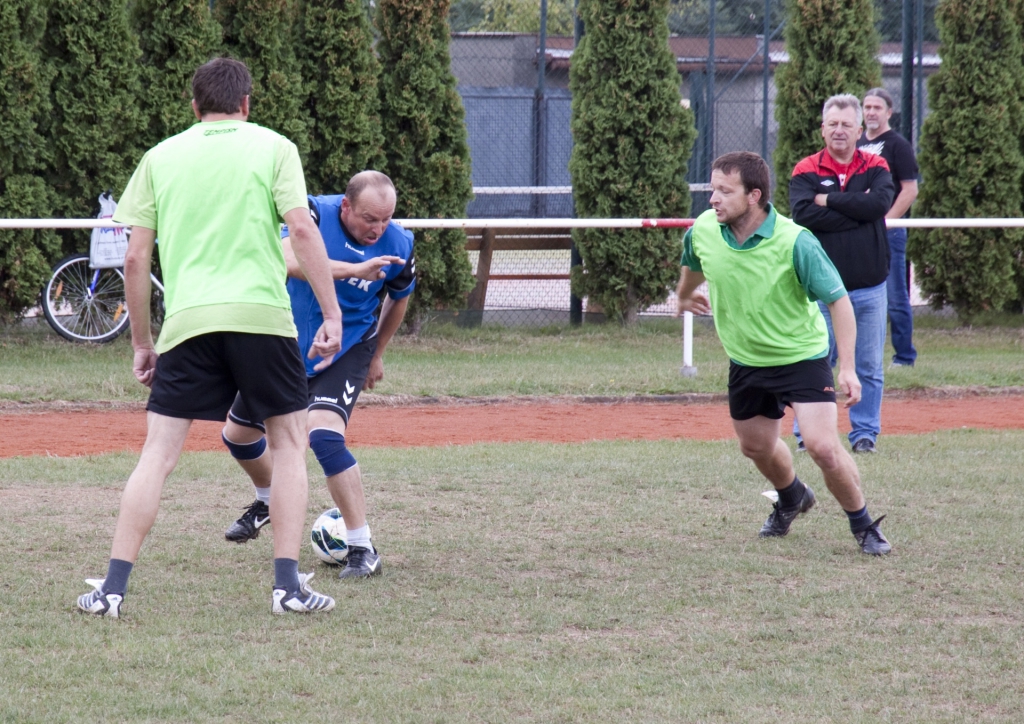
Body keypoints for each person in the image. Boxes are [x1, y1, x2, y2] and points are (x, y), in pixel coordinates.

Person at [77, 58, 343, 618]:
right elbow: (300, 229)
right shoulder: (275, 147)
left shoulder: (160, 156)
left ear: (193, 106)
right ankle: (287, 588)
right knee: (291, 444)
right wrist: (331, 313)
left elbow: (133, 256)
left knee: (157, 454)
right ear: (246, 104)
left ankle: (113, 590)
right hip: (263, 319)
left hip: (189, 322)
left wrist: (141, 343)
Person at [676, 151, 890, 555]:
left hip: (801, 358)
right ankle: (792, 496)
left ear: (754, 195)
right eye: (712, 189)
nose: (713, 199)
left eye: (724, 191)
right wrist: (683, 296)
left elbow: (839, 301)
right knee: (754, 446)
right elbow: (693, 261)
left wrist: (848, 367)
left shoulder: (795, 241)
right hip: (746, 361)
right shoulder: (704, 229)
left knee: (823, 446)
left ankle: (863, 525)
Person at [220, 170, 414, 580]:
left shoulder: (400, 244)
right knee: (237, 435)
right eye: (368, 219)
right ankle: (269, 499)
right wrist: (353, 271)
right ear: (346, 206)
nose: (378, 229)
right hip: (287, 342)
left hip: (346, 348)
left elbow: (400, 297)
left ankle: (362, 546)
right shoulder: (311, 214)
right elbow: (287, 259)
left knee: (323, 434)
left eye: (386, 219)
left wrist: (376, 352)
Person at [790, 94, 894, 454]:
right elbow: (803, 215)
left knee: (868, 366)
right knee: (813, 364)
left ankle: (864, 434)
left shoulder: (877, 164)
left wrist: (829, 200)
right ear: (822, 129)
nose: (839, 131)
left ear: (859, 130)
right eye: (832, 124)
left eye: (846, 125)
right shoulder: (805, 169)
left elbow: (880, 204)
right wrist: (857, 208)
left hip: (869, 287)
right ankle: (806, 434)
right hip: (820, 292)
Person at [858, 87, 920, 368]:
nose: (871, 112)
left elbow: (910, 190)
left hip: (889, 231)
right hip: (858, 231)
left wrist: (888, 221)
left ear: (888, 112)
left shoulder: (898, 145)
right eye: (867, 107)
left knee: (895, 296)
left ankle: (904, 358)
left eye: (877, 107)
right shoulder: (855, 142)